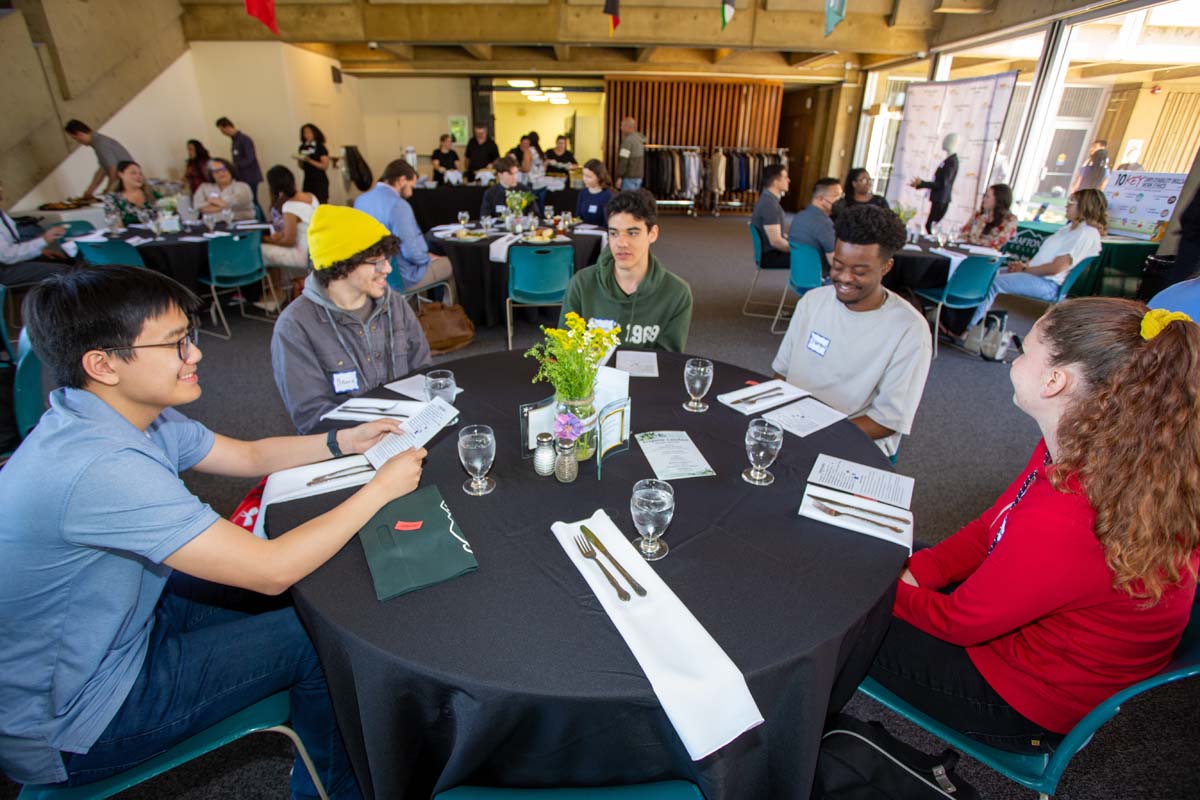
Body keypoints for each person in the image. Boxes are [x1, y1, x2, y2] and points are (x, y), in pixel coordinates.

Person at [0, 263, 427, 796]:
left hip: (123, 623)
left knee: (307, 594)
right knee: (315, 637)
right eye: (176, 344)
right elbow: (271, 571)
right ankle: (334, 788)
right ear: (103, 364)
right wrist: (382, 488)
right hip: (78, 716)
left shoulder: (113, 414)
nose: (196, 354)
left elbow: (250, 455)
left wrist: (346, 441)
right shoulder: (102, 468)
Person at [862, 298, 1199, 753]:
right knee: (882, 555)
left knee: (838, 612)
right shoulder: (1094, 449)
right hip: (1047, 645)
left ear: (1055, 380)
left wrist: (870, 587)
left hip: (1026, 702)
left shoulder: (1070, 518)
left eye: (1024, 349)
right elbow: (993, 527)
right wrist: (920, 572)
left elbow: (962, 622)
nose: (1013, 358)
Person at [772, 204, 931, 458]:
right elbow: (781, 374)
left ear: (886, 267)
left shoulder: (909, 330)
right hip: (793, 430)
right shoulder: (812, 302)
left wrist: (815, 436)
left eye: (859, 271)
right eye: (838, 265)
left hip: (853, 442)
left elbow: (886, 421)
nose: (844, 278)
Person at [271, 205, 433, 434]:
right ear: (342, 264)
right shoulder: (295, 327)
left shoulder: (394, 303)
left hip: (406, 431)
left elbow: (423, 369)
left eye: (386, 259)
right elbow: (312, 417)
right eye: (377, 261)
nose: (387, 268)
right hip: (346, 445)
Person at [561, 189, 692, 351]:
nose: (621, 243)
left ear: (652, 234)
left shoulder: (676, 293)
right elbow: (565, 353)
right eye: (614, 233)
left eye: (632, 233)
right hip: (590, 376)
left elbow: (669, 363)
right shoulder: (581, 284)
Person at [968, 189, 1106, 328]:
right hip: (1036, 275)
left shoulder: (1085, 233)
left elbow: (1056, 268)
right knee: (986, 275)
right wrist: (1023, 267)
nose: (1066, 205)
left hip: (1048, 283)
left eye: (1072, 202)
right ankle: (960, 320)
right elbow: (1045, 258)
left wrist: (1024, 269)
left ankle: (969, 327)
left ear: (1085, 206)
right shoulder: (1069, 229)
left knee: (993, 283)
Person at [354, 159, 455, 301]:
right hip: (398, 276)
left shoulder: (361, 200)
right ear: (401, 180)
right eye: (411, 186)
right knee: (450, 265)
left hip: (370, 271)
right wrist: (427, 258)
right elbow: (411, 253)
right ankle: (444, 314)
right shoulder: (398, 205)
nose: (411, 192)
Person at [0, 178, 68, 287]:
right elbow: (7, 256)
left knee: (64, 262)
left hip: (8, 263)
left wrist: (38, 251)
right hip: (4, 271)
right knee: (66, 272)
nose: (1, 189)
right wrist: (43, 240)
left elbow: (9, 246)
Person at [261, 165, 319, 270]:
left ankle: (275, 286)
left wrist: (267, 240)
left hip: (304, 254)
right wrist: (281, 234)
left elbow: (289, 241)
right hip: (317, 249)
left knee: (260, 250)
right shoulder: (311, 197)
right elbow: (304, 225)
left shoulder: (290, 206)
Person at [63, 120, 133, 199]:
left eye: (75, 138)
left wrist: (109, 191)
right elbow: (102, 169)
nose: (78, 142)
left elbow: (113, 169)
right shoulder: (99, 142)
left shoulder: (101, 144)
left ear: (80, 134)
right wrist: (89, 191)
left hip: (128, 186)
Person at [909, 133, 960, 234]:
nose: (944, 142)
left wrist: (922, 184)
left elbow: (942, 183)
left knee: (931, 225)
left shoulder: (952, 162)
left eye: (947, 140)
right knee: (930, 224)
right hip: (938, 198)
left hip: (942, 198)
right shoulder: (948, 160)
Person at [788, 178, 843, 268]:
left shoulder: (800, 216)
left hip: (798, 272)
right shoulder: (825, 224)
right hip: (820, 276)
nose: (840, 200)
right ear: (821, 199)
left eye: (841, 196)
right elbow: (834, 263)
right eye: (837, 196)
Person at [215, 118, 264, 210]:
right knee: (248, 201)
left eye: (222, 130)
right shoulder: (234, 141)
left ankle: (260, 220)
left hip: (250, 176)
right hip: (242, 177)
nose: (222, 133)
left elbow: (250, 158)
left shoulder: (244, 140)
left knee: (253, 201)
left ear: (227, 127)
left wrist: (235, 166)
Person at [751, 164, 792, 269]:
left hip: (770, 252)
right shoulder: (769, 205)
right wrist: (799, 250)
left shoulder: (769, 199)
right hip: (770, 256)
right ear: (775, 182)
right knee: (813, 258)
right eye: (785, 177)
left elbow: (779, 235)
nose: (789, 180)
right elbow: (776, 242)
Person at [959, 183, 1017, 250]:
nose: (983, 199)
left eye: (987, 196)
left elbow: (996, 243)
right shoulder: (978, 214)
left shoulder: (1010, 220)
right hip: (966, 251)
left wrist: (973, 241)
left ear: (998, 199)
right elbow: (964, 233)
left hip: (987, 257)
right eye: (984, 196)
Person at [102, 161, 162, 226]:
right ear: (121, 174)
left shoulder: (152, 194)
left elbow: (167, 215)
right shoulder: (113, 198)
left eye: (140, 174)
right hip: (129, 235)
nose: (138, 176)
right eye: (133, 173)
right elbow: (116, 226)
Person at [296, 123, 331, 204]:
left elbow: (324, 166)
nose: (306, 135)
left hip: (319, 179)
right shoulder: (302, 147)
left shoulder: (320, 147)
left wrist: (309, 160)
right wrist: (300, 160)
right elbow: (302, 166)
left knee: (321, 202)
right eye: (304, 133)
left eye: (309, 132)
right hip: (308, 179)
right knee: (308, 202)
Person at [575, 159, 614, 227]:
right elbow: (578, 216)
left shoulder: (608, 195)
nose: (584, 179)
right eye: (583, 175)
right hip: (582, 232)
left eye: (588, 177)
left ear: (599, 177)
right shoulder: (583, 193)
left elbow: (608, 222)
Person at [615, 117, 646, 191]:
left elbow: (623, 161)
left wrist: (620, 177)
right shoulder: (639, 140)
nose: (621, 128)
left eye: (622, 126)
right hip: (639, 177)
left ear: (628, 127)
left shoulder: (627, 142)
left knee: (627, 201)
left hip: (629, 178)